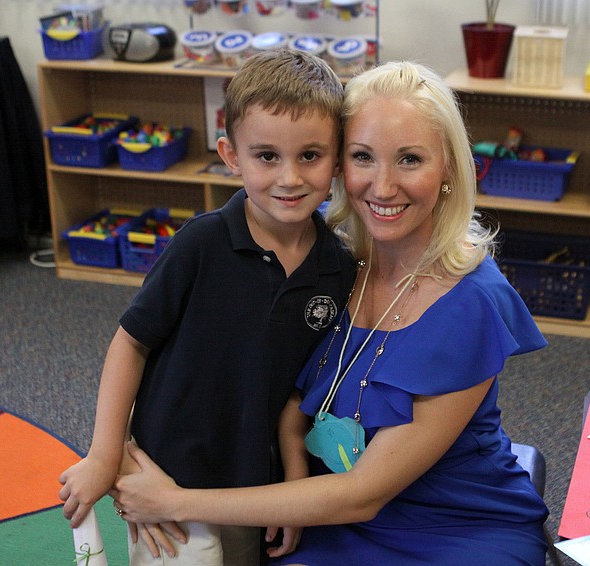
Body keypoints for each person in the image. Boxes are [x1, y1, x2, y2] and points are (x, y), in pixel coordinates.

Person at [111, 60, 550, 565]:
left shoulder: (471, 303)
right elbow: (277, 381)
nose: (383, 187)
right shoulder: (334, 266)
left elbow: (365, 494)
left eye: (409, 160)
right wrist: (291, 447)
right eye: (364, 157)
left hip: (453, 526)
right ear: (340, 164)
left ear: (450, 165)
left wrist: (173, 501)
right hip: (330, 509)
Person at [58, 48, 355, 565]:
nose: (289, 177)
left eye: (310, 155)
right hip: (164, 475)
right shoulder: (200, 243)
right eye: (267, 156)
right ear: (231, 155)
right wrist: (105, 455)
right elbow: (130, 343)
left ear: (337, 157)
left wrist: (293, 482)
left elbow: (298, 393)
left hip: (250, 484)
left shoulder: (338, 268)